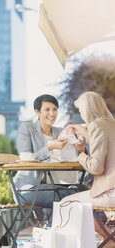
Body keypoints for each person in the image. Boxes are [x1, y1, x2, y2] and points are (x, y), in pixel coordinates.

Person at [58, 91, 115, 245]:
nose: (81, 115)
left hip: (111, 192)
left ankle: (108, 239)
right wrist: (83, 132)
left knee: (65, 203)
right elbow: (103, 139)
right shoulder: (111, 124)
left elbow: (96, 168)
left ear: (88, 109)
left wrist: (82, 157)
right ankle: (108, 239)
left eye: (81, 111)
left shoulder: (96, 126)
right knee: (79, 204)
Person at [13, 94, 86, 209]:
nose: (52, 114)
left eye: (55, 109)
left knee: (86, 191)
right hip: (29, 188)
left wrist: (82, 150)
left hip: (57, 184)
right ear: (37, 111)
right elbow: (26, 160)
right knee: (70, 196)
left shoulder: (60, 131)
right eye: (47, 109)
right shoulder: (26, 129)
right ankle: (53, 225)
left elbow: (69, 156)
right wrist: (50, 147)